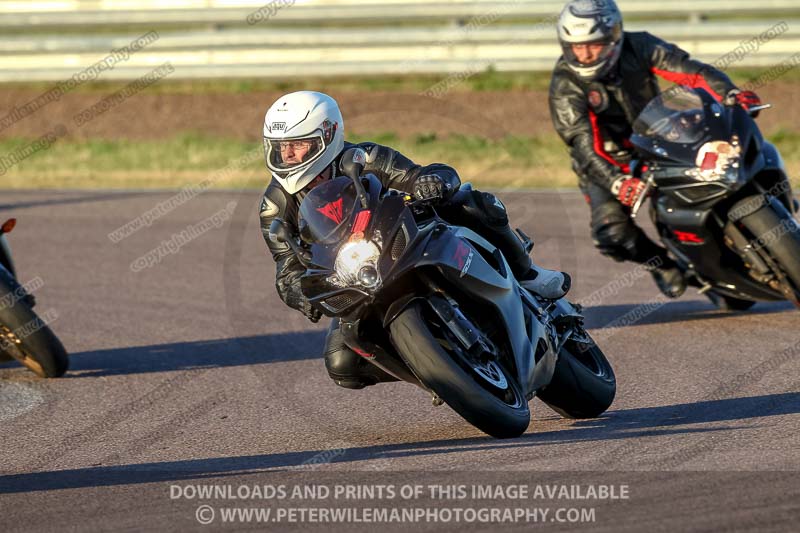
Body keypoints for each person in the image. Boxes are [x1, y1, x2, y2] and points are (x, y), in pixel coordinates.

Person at [259, 90, 571, 389]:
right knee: (342, 364)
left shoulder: (363, 157)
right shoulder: (275, 206)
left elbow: (424, 173)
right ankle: (440, 374)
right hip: (355, 275)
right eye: (280, 146)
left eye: (297, 144)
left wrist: (431, 182)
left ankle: (528, 275)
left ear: (327, 137)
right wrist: (300, 295)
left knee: (470, 202)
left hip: (399, 238)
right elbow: (286, 269)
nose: (287, 155)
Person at [549, 0, 762, 297]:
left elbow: (692, 72)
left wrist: (731, 94)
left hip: (663, 137)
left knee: (730, 150)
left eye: (593, 45)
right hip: (608, 163)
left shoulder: (639, 46)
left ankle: (765, 203)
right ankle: (662, 264)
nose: (583, 54)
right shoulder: (564, 84)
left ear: (613, 36)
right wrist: (616, 181)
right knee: (611, 234)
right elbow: (582, 143)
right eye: (575, 46)